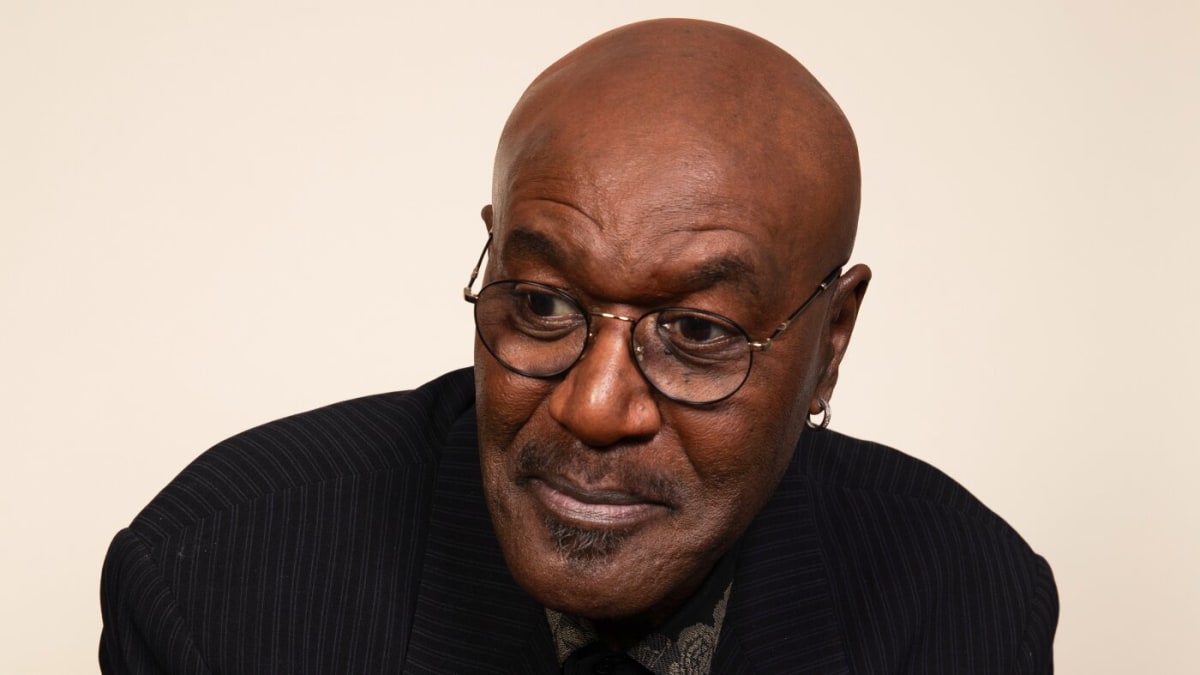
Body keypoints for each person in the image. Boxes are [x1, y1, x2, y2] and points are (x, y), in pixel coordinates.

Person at [100, 18, 1058, 674]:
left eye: (695, 333)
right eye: (545, 303)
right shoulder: (216, 576)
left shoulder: (968, 601)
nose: (594, 407)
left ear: (830, 342)